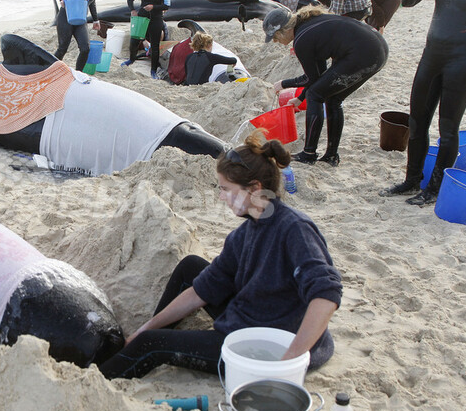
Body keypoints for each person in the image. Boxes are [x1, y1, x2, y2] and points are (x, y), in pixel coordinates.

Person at [98, 131, 343, 380]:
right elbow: (200, 291)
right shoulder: (244, 234)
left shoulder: (294, 229)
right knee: (191, 267)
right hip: (252, 316)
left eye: (226, 189)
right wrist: (143, 329)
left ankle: (100, 377)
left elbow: (326, 294)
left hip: (271, 347)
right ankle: (143, 341)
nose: (220, 196)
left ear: (255, 189)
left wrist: (289, 361)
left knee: (152, 343)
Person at [380, 0, 466, 206]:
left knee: (448, 128)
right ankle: (412, 179)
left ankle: (433, 189)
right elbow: (409, 2)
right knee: (417, 121)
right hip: (431, 54)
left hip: (462, 57)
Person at [264, 5, 388, 167]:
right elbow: (318, 76)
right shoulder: (308, 24)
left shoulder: (301, 40)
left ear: (284, 31)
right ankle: (331, 155)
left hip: (364, 53)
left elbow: (311, 79)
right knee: (332, 98)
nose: (276, 41)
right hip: (376, 48)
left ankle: (309, 153)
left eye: (275, 37)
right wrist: (299, 98)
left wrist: (283, 84)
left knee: (315, 95)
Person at [121, 0, 170, 79]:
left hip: (156, 18)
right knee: (134, 41)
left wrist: (153, 7)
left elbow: (167, 5)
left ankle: (153, 70)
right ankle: (131, 60)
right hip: (142, 18)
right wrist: (132, 10)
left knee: (155, 44)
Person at [54, 0, 100, 71]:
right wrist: (62, 0)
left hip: (81, 19)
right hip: (66, 17)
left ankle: (78, 73)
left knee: (85, 49)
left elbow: (92, 2)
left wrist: (96, 19)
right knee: (63, 48)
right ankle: (49, 70)